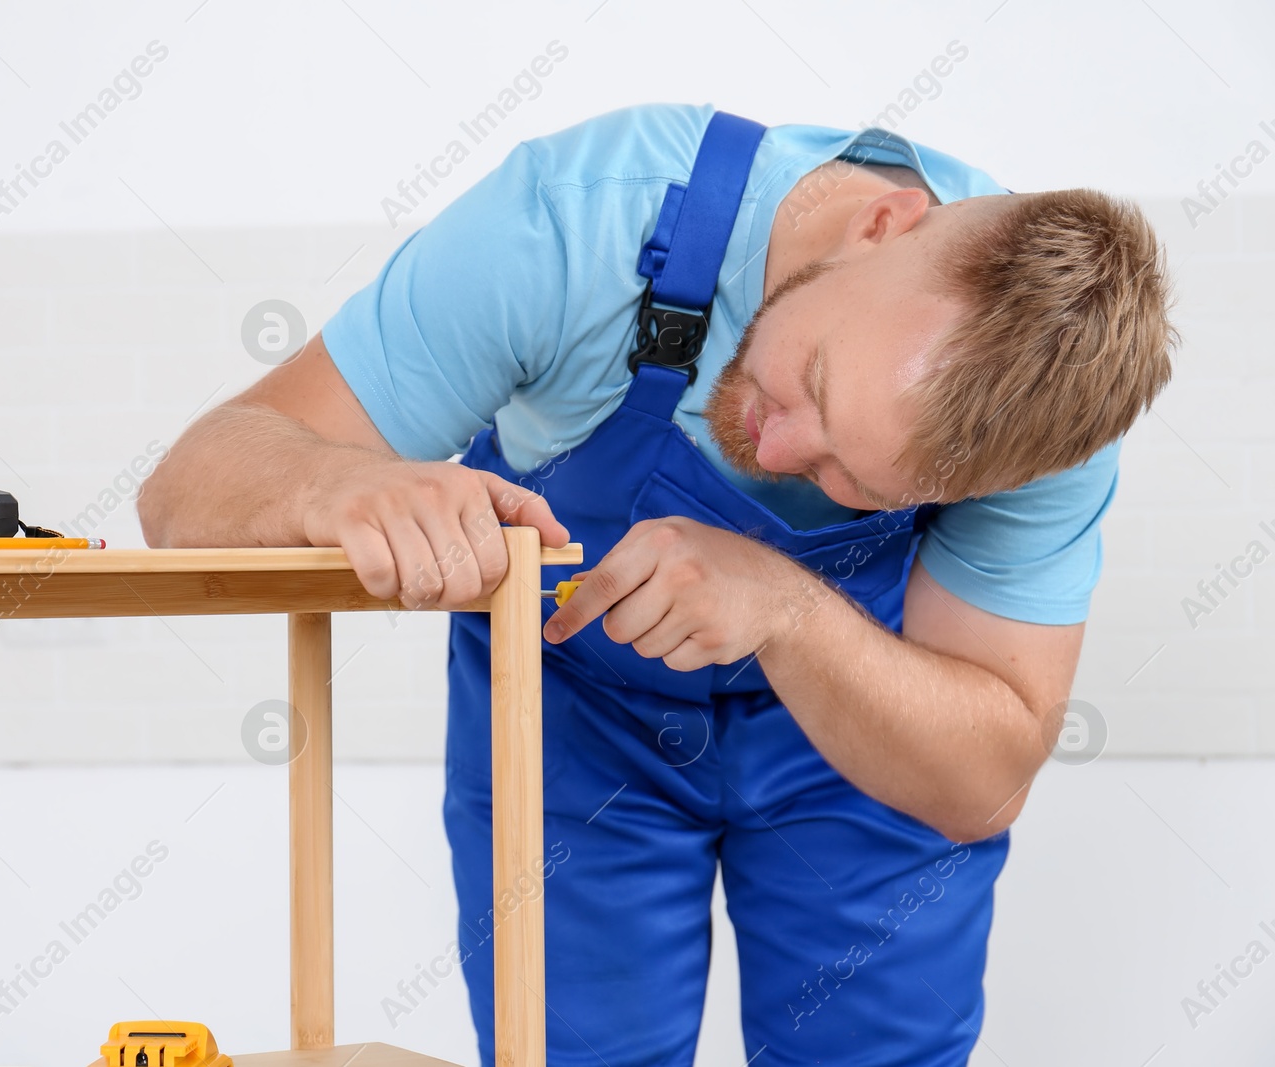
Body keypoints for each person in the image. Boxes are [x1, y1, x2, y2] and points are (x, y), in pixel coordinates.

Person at [138, 102, 1175, 1066]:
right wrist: (335, 482)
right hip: (573, 720)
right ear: (883, 222)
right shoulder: (573, 229)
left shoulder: (1046, 412)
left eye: (853, 482)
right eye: (810, 381)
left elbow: (980, 778)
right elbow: (185, 487)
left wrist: (784, 607)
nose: (780, 449)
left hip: (864, 736)